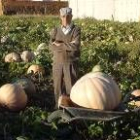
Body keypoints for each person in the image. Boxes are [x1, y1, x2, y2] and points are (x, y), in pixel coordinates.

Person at [49, 7, 81, 109]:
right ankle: (57, 107)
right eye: (63, 16)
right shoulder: (55, 30)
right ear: (60, 17)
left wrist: (60, 44)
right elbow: (51, 46)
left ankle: (71, 108)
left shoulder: (76, 30)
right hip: (57, 62)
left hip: (70, 62)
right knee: (57, 87)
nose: (65, 19)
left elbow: (75, 46)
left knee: (71, 87)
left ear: (71, 17)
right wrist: (67, 45)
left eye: (68, 16)